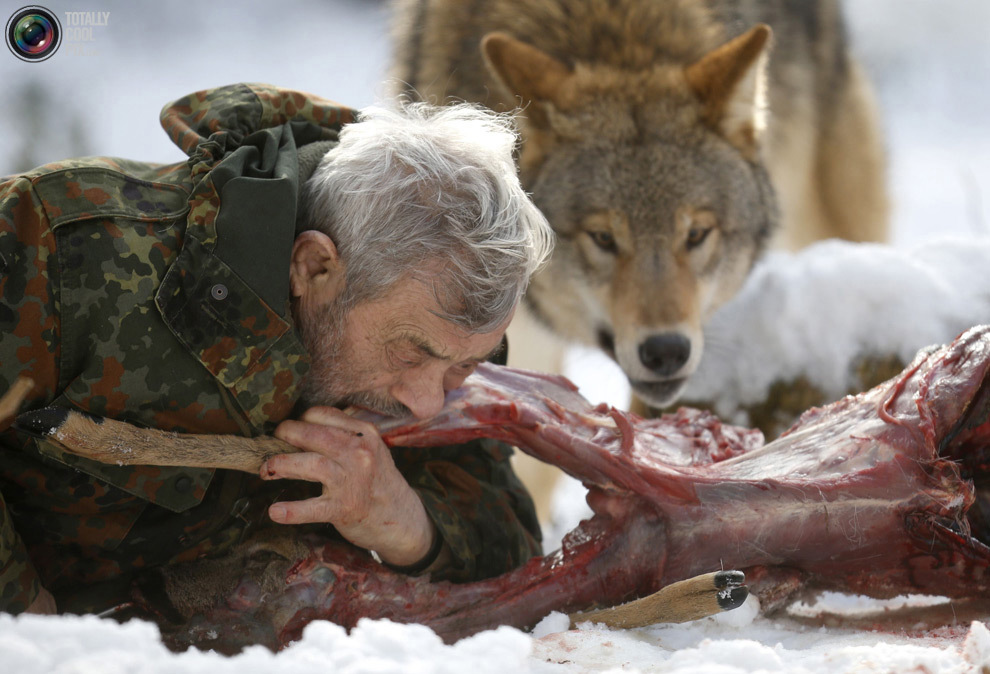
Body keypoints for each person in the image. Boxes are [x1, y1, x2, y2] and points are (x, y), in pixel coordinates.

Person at [0, 83, 553, 615]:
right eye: (411, 353)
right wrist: (24, 616)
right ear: (313, 266)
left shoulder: (433, 330)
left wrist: (406, 522)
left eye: (465, 366)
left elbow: (512, 531)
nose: (429, 402)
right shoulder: (61, 242)